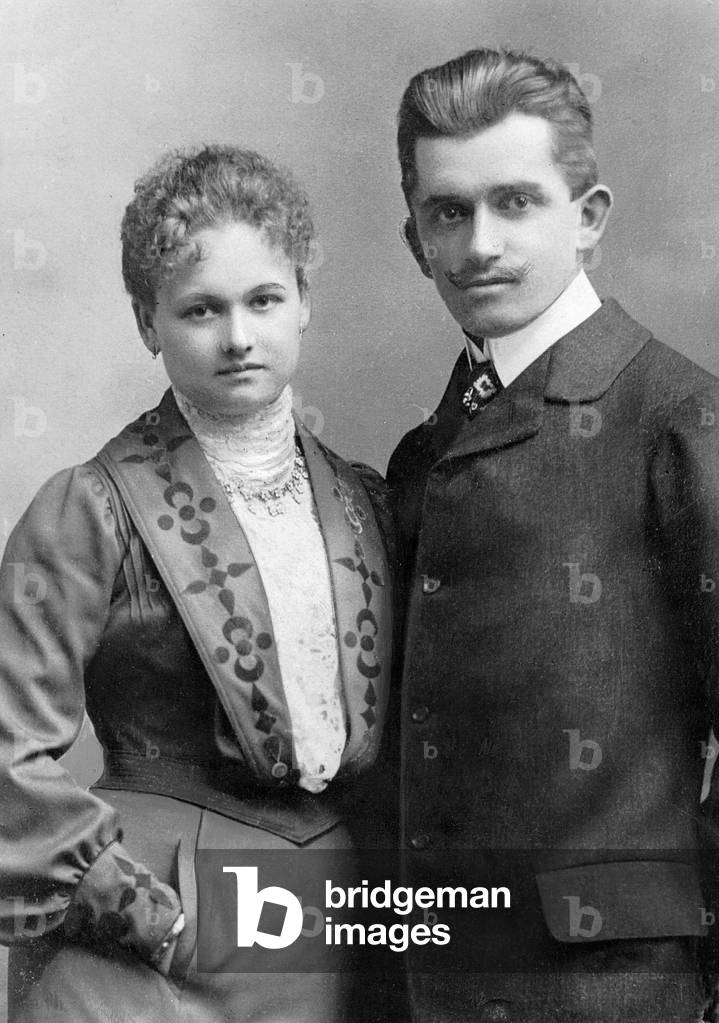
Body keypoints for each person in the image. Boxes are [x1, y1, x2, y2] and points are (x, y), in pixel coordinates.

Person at [0, 145, 394, 1022]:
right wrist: (144, 910)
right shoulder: (87, 508)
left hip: (324, 926)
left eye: (263, 300)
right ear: (148, 322)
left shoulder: (367, 501)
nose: (238, 337)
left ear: (304, 301)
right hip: (148, 942)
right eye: (199, 309)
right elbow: (5, 754)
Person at [388, 47, 719, 1022]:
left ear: (586, 218)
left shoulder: (678, 421)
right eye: (447, 211)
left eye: (516, 202)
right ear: (414, 239)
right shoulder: (422, 454)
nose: (480, 242)